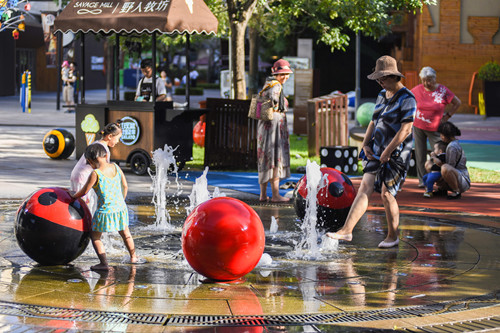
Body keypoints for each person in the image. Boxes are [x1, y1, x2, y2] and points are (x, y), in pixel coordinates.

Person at [326, 55, 416, 248]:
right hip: (377, 148)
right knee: (365, 187)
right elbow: (373, 122)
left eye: (382, 78)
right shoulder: (382, 95)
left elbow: (406, 129)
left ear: (393, 76)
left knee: (386, 194)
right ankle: (346, 231)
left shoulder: (408, 98)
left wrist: (388, 152)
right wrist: (365, 145)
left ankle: (393, 236)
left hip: (398, 153)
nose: (379, 82)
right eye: (377, 79)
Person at [71, 144, 141, 271]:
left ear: (90, 162)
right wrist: (120, 201)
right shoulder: (115, 167)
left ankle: (104, 263)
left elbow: (84, 191)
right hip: (120, 208)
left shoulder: (95, 173)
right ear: (106, 155)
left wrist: (73, 196)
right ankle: (133, 257)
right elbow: (125, 186)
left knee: (95, 237)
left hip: (104, 211)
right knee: (126, 234)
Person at [411, 66, 461, 188]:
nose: (425, 83)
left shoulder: (442, 91)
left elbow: (457, 103)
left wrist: (448, 115)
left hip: (436, 128)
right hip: (418, 126)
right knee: (420, 154)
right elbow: (405, 100)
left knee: (440, 154)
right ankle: (422, 180)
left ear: (434, 78)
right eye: (423, 80)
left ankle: (441, 180)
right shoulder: (417, 90)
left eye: (428, 80)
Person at [257, 58, 292, 203]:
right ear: (275, 74)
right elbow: (273, 99)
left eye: (286, 74)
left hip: (264, 126)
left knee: (264, 158)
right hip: (274, 127)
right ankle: (276, 195)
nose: (284, 77)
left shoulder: (267, 83)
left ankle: (263, 194)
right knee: (275, 158)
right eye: (282, 74)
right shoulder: (276, 86)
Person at [70, 122, 123, 214]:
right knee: (86, 206)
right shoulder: (104, 150)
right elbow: (104, 171)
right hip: (84, 178)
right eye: (118, 138)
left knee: (79, 204)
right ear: (110, 136)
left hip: (77, 176)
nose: (118, 141)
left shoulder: (96, 144)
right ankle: (86, 226)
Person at [431, 121, 470, 199]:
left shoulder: (452, 147)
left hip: (462, 180)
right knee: (430, 166)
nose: (441, 136)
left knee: (445, 167)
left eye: (442, 134)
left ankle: (456, 191)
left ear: (446, 135)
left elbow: (450, 166)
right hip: (456, 176)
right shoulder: (449, 144)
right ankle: (442, 189)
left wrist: (435, 159)